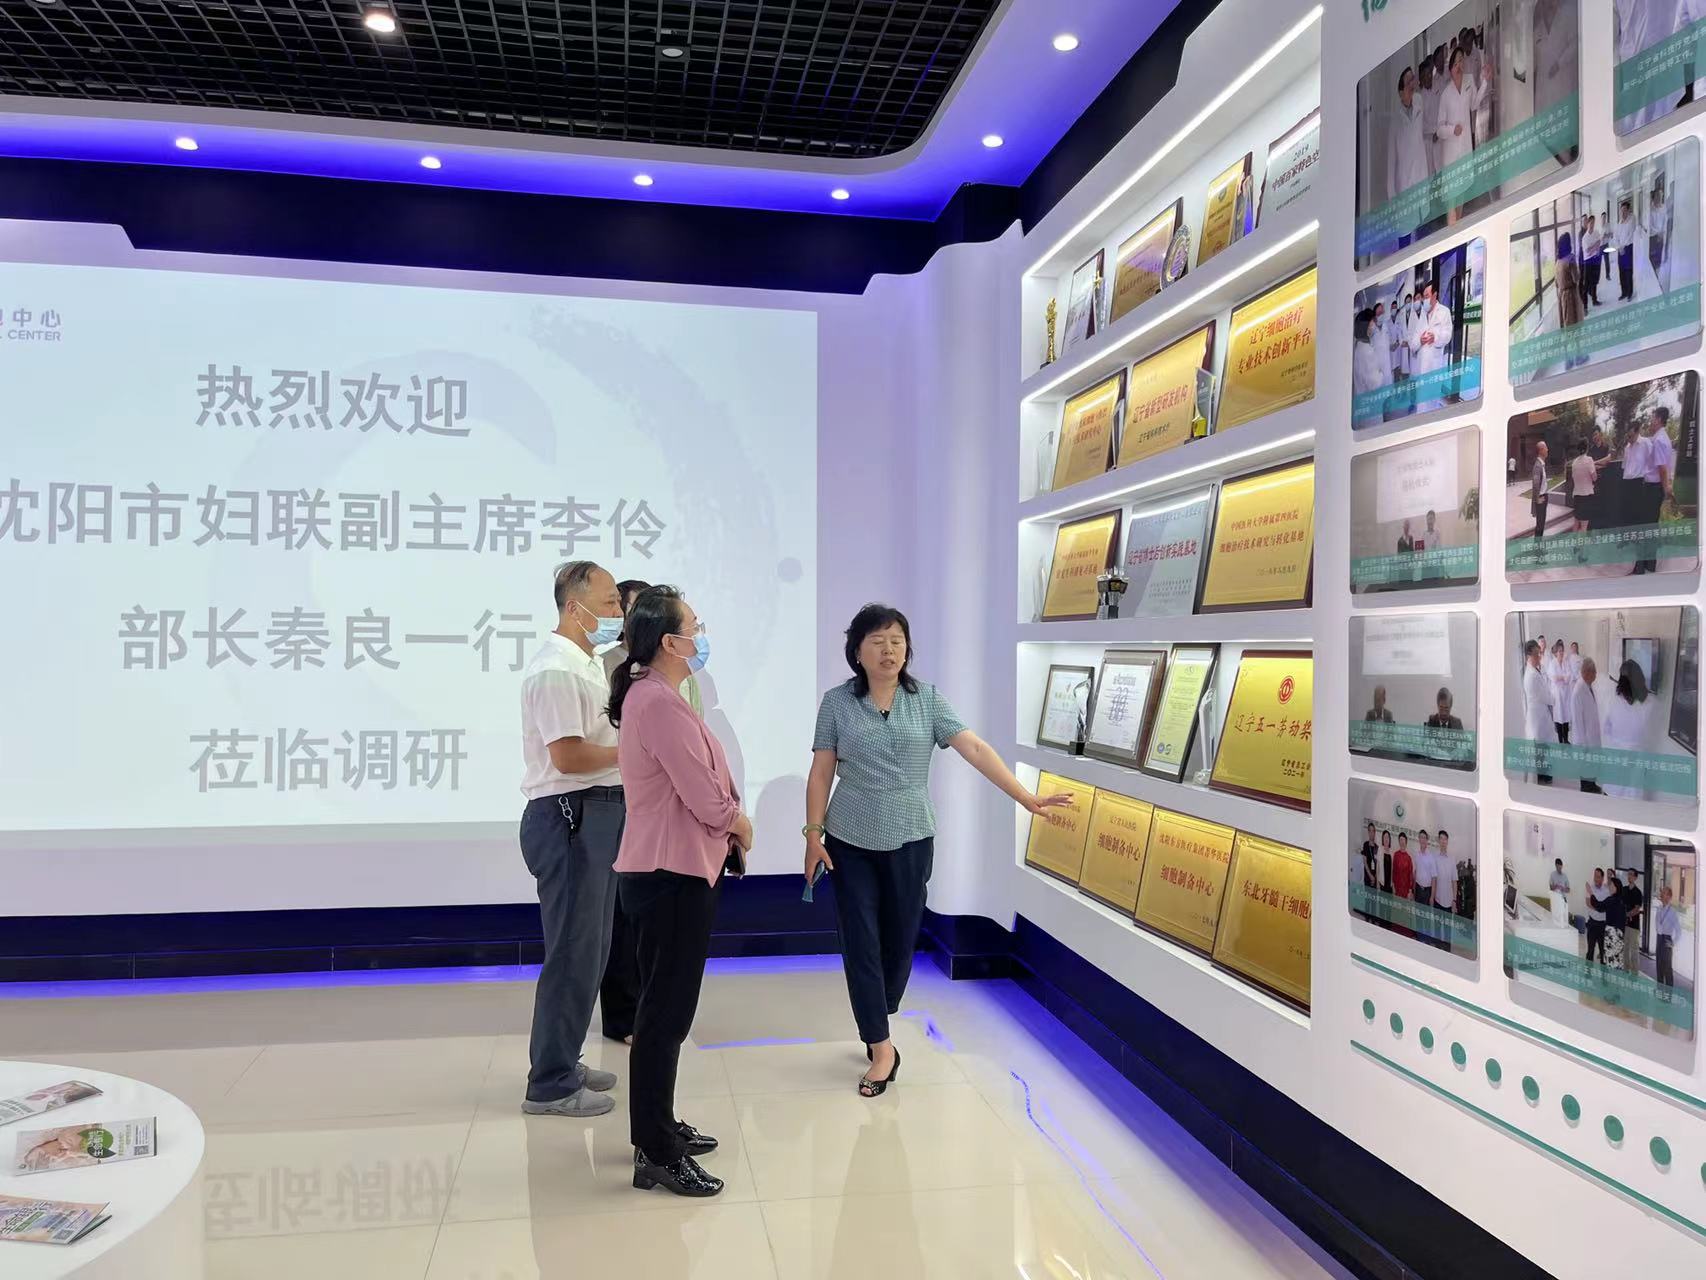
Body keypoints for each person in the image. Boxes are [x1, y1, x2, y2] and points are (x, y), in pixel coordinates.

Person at [806, 604, 1069, 1097]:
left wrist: (1024, 796)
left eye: (897, 641)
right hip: (850, 836)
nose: (889, 650)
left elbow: (974, 748)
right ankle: (880, 1045)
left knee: (900, 938)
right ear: (857, 651)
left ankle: (877, 1013)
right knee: (860, 940)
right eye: (878, 641)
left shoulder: (925, 698)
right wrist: (812, 835)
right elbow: (821, 771)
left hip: (911, 833)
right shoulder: (837, 702)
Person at [609, 586, 751, 1198]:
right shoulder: (657, 703)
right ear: (670, 642)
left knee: (663, 1013)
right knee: (665, 1016)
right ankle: (656, 1151)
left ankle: (659, 1127)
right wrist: (738, 822)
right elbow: (702, 793)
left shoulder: (657, 696)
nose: (701, 634)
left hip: (674, 871)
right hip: (669, 875)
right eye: (695, 626)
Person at [517, 560, 627, 1118]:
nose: (618, 612)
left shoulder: (587, 664)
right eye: (609, 603)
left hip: (595, 813)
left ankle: (563, 1057)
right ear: (573, 607)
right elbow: (568, 755)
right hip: (570, 815)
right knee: (572, 951)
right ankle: (551, 1083)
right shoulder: (557, 668)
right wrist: (637, 754)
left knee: (593, 948)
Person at [1435, 48, 1488, 221]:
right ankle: (1452, 232)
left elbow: (1474, 105)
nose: (1459, 66)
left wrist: (1485, 82)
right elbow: (1439, 129)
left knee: (1461, 196)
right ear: (1450, 68)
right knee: (1451, 199)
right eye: (1456, 63)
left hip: (1465, 150)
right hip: (1450, 156)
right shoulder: (1445, 94)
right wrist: (1452, 130)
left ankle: (1458, 232)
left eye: (1461, 61)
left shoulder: (1469, 81)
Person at [1603, 659, 1656, 798]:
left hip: (1616, 762)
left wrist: (1618, 740)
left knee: (1613, 798)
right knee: (1631, 799)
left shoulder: (1613, 701)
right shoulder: (1649, 704)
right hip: (1636, 765)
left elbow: (1606, 729)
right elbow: (1648, 736)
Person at [1388, 65, 1432, 206]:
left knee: (1423, 215)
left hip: (1421, 173)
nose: (1413, 84)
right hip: (1405, 180)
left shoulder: (1419, 101)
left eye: (1413, 79)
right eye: (1408, 82)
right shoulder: (1395, 120)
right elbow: (1391, 161)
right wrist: (1391, 196)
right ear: (1401, 93)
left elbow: (1425, 126)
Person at [1408, 281, 1454, 412]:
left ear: (1435, 295)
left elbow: (1447, 335)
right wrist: (1420, 341)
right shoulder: (1423, 314)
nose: (1425, 299)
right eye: (1424, 296)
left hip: (1434, 365)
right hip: (1421, 365)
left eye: (1427, 296)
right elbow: (1414, 341)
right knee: (1421, 402)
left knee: (1432, 401)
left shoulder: (1444, 312)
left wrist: (1436, 337)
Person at [1522, 639, 1558, 785]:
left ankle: (1543, 771)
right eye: (1536, 654)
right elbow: (1544, 696)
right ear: (1528, 656)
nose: (1539, 657)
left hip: (1540, 714)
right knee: (1540, 746)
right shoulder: (1531, 676)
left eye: (1539, 654)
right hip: (1537, 716)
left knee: (1543, 745)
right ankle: (1542, 774)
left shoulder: (1535, 670)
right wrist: (1553, 699)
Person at [1570, 657, 1603, 793]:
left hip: (1591, 735)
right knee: (1586, 765)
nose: (1596, 674)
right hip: (1585, 739)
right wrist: (1582, 744)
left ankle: (1592, 784)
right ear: (1587, 672)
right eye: (1594, 672)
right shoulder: (1578, 691)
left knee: (1592, 764)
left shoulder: (1588, 686)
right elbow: (1577, 721)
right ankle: (1586, 788)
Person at [1353, 308, 1391, 420]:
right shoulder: (1367, 351)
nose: (1373, 324)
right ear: (1366, 326)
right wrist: (1381, 373)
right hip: (1371, 407)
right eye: (1372, 322)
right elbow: (1375, 384)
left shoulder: (1359, 346)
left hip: (1362, 404)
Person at [1554, 232, 1585, 369]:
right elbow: (1576, 278)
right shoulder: (1570, 259)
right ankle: (1578, 356)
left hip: (1561, 296)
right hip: (1571, 295)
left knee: (1565, 327)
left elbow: (1556, 283)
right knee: (1575, 325)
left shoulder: (1557, 262)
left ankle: (1568, 359)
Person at [1570, 441, 1598, 549]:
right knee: (1584, 527)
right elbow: (1594, 477)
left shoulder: (1574, 462)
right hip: (1586, 496)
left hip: (1577, 495)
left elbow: (1574, 477)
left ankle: (1574, 546)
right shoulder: (1589, 460)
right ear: (1587, 448)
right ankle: (1581, 553)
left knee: (1576, 523)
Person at [1614, 199, 1642, 302]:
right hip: (1620, 250)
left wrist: (1623, 246)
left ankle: (1629, 293)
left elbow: (1630, 235)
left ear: (1628, 211)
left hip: (1628, 248)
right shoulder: (1619, 223)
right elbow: (1615, 237)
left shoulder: (1631, 220)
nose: (1622, 213)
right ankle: (1624, 292)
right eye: (1621, 210)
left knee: (1628, 271)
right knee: (1621, 271)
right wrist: (1619, 247)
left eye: (1625, 210)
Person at [1546, 639, 1573, 744]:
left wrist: (1562, 678)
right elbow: (1553, 678)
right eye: (1559, 651)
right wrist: (1563, 677)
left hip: (1566, 693)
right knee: (1558, 717)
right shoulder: (1552, 663)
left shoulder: (1566, 662)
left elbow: (1569, 675)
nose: (1561, 653)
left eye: (1562, 650)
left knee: (1566, 716)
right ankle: (1560, 740)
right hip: (1557, 694)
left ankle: (1566, 739)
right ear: (1556, 652)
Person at [1654, 886, 1681, 991]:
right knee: (1659, 966)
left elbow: (1678, 931)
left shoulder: (1672, 912)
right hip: (1659, 938)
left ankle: (1668, 994)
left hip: (1667, 939)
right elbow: (1658, 925)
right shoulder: (1659, 908)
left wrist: (1673, 943)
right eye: (1662, 892)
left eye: (1664, 893)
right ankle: (1660, 990)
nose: (1661, 894)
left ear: (1669, 897)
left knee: (1667, 968)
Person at [1621, 869, 1645, 977]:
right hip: (1624, 924)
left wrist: (1627, 914)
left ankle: (1634, 973)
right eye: (1628, 874)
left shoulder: (1638, 892)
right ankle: (1625, 969)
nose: (1629, 876)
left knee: (1634, 949)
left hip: (1634, 926)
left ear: (1635, 877)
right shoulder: (1624, 889)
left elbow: (1637, 909)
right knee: (1625, 947)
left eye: (1631, 875)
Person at [1585, 869, 1611, 964]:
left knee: (1603, 951)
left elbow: (1607, 906)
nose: (1596, 878)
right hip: (1592, 923)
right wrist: (1599, 908)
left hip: (1603, 925)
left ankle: (1603, 972)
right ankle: (1588, 971)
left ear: (1602, 878)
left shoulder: (1607, 890)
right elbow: (1588, 903)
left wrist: (1599, 907)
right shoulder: (1590, 888)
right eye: (1595, 876)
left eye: (1598, 877)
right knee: (1590, 950)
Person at [1530, 441, 1551, 541]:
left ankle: (1538, 545)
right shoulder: (1538, 466)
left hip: (1543, 496)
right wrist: (1537, 498)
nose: (1547, 450)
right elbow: (1535, 484)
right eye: (1546, 448)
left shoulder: (1542, 464)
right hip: (1541, 498)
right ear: (1541, 450)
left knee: (1541, 524)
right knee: (1540, 524)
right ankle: (1537, 547)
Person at [1581, 215, 1603, 307]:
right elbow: (1588, 251)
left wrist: (1593, 247)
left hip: (1595, 259)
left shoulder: (1596, 232)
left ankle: (1595, 300)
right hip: (1588, 261)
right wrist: (1595, 245)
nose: (1592, 224)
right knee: (1586, 284)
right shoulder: (1585, 238)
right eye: (1591, 223)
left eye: (1593, 222)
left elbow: (1599, 243)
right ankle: (1585, 306)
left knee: (1594, 281)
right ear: (1588, 223)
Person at [1361, 822, 1380, 890]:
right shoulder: (1365, 844)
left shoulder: (1377, 847)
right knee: (1368, 896)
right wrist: (1370, 876)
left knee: (1374, 896)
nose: (1372, 833)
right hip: (1368, 877)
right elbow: (1365, 862)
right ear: (1368, 832)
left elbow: (1377, 864)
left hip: (1375, 879)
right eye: (1370, 831)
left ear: (1375, 832)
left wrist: (1375, 877)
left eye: (1373, 831)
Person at [1380, 828, 1394, 894]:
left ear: (1389, 839)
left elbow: (1393, 869)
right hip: (1382, 883)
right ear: (1382, 839)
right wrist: (1377, 883)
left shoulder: (1392, 852)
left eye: (1387, 837)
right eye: (1384, 837)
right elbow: (1377, 867)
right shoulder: (1380, 850)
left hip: (1389, 883)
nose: (1386, 839)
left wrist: (1393, 884)